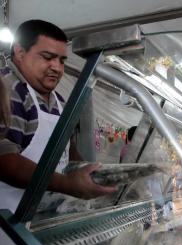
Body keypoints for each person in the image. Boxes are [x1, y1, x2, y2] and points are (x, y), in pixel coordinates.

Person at [0, 20, 117, 213]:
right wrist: (66, 183)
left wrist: (90, 172)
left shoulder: (60, 101)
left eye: (62, 60)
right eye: (48, 57)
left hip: (41, 216)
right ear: (20, 53)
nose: (57, 67)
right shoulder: (8, 89)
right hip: (8, 222)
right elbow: (4, 161)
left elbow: (66, 148)